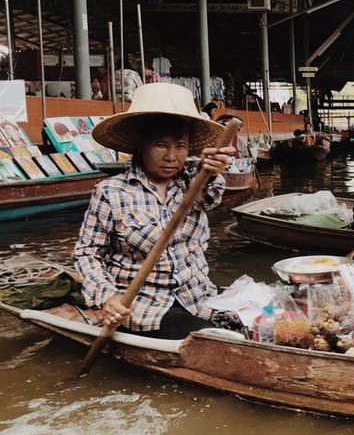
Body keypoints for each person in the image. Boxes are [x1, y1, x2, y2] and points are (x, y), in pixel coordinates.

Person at [73, 84, 236, 339]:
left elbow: (208, 195)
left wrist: (212, 171)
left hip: (198, 296)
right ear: (141, 145)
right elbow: (88, 253)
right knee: (211, 340)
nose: (172, 156)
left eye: (181, 146)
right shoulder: (111, 191)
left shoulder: (192, 184)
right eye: (161, 145)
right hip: (146, 305)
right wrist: (108, 298)